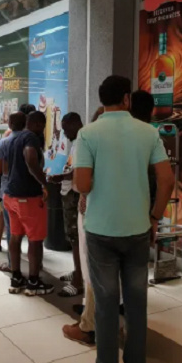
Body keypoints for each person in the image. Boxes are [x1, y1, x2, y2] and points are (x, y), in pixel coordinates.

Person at [73, 76, 174, 363]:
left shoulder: (88, 133)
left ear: (102, 100)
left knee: (105, 304)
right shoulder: (147, 132)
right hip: (138, 229)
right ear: (126, 99)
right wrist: (154, 217)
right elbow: (166, 181)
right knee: (136, 302)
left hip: (100, 230)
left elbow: (82, 184)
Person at [63, 107, 105, 346]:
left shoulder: (89, 139)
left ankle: (89, 326)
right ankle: (116, 326)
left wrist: (81, 194)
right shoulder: (139, 138)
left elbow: (81, 183)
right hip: (129, 222)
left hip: (95, 217)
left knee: (94, 270)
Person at [4, 111, 53, 296]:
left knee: (15, 236)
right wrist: (44, 182)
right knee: (35, 240)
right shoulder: (31, 137)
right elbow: (31, 158)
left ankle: (16, 278)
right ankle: (33, 281)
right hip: (29, 198)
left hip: (11, 196)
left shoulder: (13, 137)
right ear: (39, 124)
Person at [49, 113, 84, 297]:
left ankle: (79, 281)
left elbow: (78, 171)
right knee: (73, 237)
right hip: (69, 193)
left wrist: (60, 177)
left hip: (74, 194)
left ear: (76, 124)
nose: (64, 132)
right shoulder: (77, 141)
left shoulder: (81, 142)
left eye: (66, 127)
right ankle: (77, 270)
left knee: (76, 238)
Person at [0, 112, 27, 270]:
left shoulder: (4, 143)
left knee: (12, 228)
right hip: (29, 190)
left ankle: (13, 264)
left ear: (10, 124)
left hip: (9, 190)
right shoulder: (30, 141)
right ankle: (37, 263)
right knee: (32, 231)